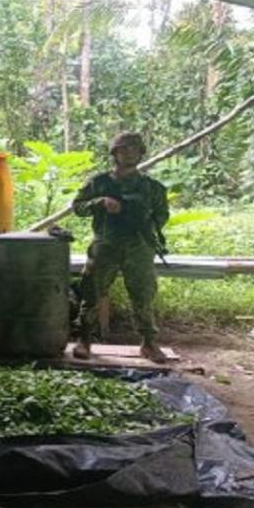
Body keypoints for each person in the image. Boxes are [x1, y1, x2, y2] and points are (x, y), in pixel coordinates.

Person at [70, 132, 169, 362]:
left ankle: (149, 343)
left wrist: (145, 224)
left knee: (143, 295)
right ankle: (84, 339)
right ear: (114, 153)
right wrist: (100, 202)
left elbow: (162, 215)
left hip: (139, 247)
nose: (130, 153)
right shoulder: (100, 182)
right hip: (106, 245)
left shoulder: (151, 187)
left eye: (134, 149)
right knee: (92, 293)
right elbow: (78, 207)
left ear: (141, 153)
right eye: (124, 149)